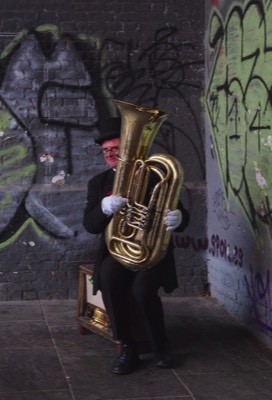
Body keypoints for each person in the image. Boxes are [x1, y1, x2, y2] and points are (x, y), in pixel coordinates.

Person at [83, 116, 190, 374]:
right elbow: (90, 225)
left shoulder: (153, 176)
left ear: (128, 151)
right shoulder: (98, 183)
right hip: (118, 251)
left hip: (152, 252)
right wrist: (103, 208)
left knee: (143, 291)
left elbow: (182, 215)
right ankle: (127, 347)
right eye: (106, 150)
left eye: (115, 148)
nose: (110, 154)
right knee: (109, 278)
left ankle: (160, 346)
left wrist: (178, 218)